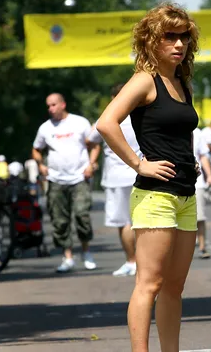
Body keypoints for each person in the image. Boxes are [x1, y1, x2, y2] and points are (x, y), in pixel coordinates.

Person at [96, 3, 201, 352]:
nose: (178, 44)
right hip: (155, 196)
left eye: (183, 36)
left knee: (175, 288)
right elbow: (106, 123)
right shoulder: (145, 80)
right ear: (151, 41)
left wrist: (190, 161)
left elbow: (180, 132)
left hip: (186, 195)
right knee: (149, 284)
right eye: (169, 36)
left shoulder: (182, 82)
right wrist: (139, 164)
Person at [32, 93, 99, 273]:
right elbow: (36, 149)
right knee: (59, 221)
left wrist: (91, 164)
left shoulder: (80, 122)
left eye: (53, 105)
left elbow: (94, 144)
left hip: (79, 178)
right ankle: (68, 257)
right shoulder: (45, 128)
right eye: (48, 106)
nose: (50, 109)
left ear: (63, 104)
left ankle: (86, 252)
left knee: (81, 215)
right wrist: (40, 165)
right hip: (56, 179)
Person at [88, 84, 141, 277]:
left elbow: (90, 138)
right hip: (140, 173)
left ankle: (131, 261)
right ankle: (145, 262)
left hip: (116, 178)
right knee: (143, 221)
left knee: (124, 222)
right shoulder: (141, 116)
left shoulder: (108, 118)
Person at [193, 126, 211, 259]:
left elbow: (203, 156)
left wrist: (210, 175)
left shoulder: (197, 133)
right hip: (173, 181)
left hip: (197, 181)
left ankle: (202, 247)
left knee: (199, 216)